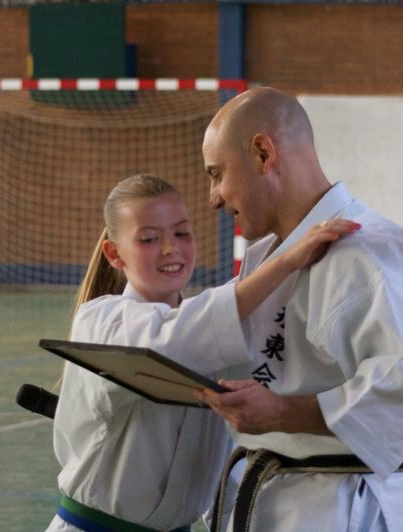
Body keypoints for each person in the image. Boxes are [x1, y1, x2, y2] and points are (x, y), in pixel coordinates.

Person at [199, 88, 403, 531]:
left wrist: (280, 413)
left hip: (354, 508)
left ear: (263, 153)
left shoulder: (372, 255)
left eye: (217, 174)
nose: (214, 197)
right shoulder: (268, 257)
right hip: (289, 498)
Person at [47, 173, 360, 532]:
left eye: (182, 233)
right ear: (114, 254)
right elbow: (166, 344)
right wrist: (286, 260)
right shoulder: (101, 320)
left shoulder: (209, 335)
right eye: (149, 238)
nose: (170, 248)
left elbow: (219, 466)